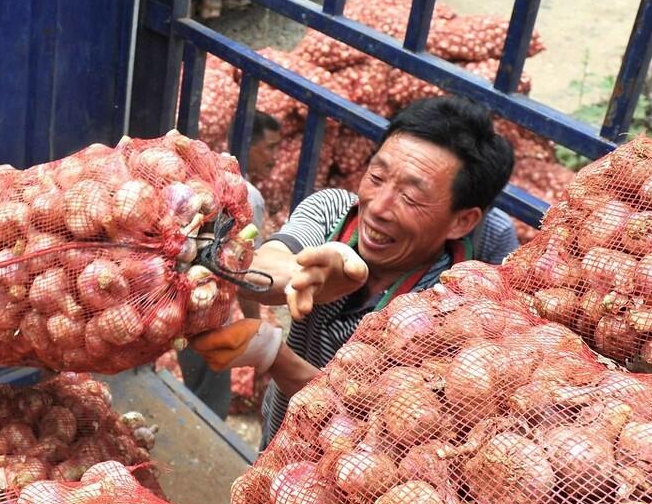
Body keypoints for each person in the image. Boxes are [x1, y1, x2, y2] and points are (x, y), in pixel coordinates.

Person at [192, 95, 518, 448]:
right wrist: (303, 273)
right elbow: (268, 261)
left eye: (410, 198)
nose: (378, 208)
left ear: (462, 221)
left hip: (352, 468)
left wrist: (273, 356)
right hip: (281, 435)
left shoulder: (452, 307)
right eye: (377, 176)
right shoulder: (332, 209)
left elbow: (378, 429)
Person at [177, 112, 277, 418]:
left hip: (176, 298)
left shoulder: (200, 179)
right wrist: (255, 324)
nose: (274, 158)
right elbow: (242, 272)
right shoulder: (249, 197)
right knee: (211, 395)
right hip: (206, 306)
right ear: (250, 145)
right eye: (270, 147)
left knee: (195, 375)